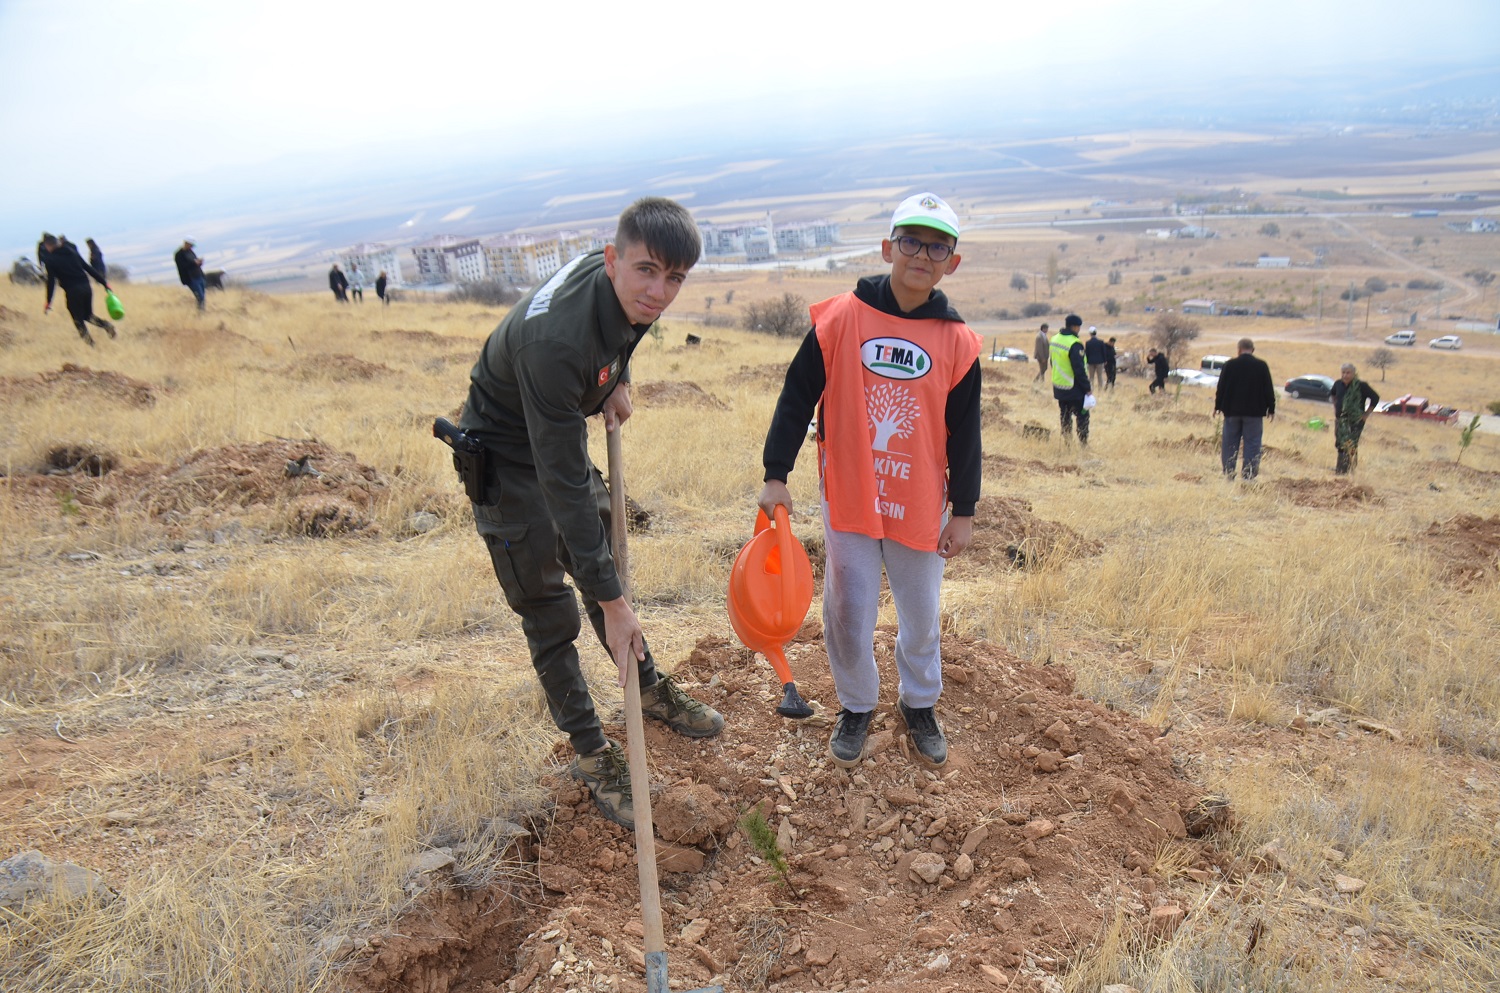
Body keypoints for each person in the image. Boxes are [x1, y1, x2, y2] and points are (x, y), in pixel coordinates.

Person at [457, 197, 722, 829]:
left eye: (675, 279)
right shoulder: (555, 345)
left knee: (601, 549)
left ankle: (648, 688)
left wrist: (615, 380)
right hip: (507, 458)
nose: (659, 293)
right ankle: (593, 752)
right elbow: (562, 483)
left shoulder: (629, 293)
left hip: (552, 440)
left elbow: (624, 331)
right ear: (612, 261)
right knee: (552, 609)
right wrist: (611, 601)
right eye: (647, 272)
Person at [759, 192, 982, 771]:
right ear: (888, 248)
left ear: (951, 262)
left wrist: (964, 509)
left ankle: (919, 704)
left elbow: (965, 432)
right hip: (852, 499)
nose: (921, 254)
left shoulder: (957, 343)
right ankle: (856, 705)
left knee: (920, 617)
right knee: (848, 613)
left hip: (919, 504)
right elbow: (796, 396)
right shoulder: (840, 319)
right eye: (910, 240)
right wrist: (775, 473)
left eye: (937, 246)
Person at [1213, 337, 1276, 480]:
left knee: (1229, 443)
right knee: (1253, 443)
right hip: (1254, 414)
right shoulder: (1261, 366)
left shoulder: (1229, 365)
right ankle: (1248, 476)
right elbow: (1268, 389)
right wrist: (1271, 408)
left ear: (1239, 350)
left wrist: (1217, 406)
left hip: (1231, 413)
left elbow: (1221, 387)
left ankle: (1229, 474)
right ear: (1252, 350)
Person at [41, 234, 115, 346]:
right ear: (58, 243)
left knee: (78, 320)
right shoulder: (72, 252)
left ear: (48, 246)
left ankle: (91, 345)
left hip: (73, 291)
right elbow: (87, 268)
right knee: (88, 315)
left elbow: (51, 282)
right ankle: (106, 325)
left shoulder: (50, 260)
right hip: (86, 287)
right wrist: (105, 283)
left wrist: (48, 301)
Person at [1050, 314, 1092, 445]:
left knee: (1065, 415)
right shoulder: (1074, 344)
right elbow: (1079, 369)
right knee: (1083, 416)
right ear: (1074, 327)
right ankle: (1083, 443)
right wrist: (1087, 389)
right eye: (1079, 327)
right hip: (1074, 388)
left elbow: (1052, 361)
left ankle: (1067, 442)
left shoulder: (1054, 339)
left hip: (1059, 386)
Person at [1330, 362, 1379, 475]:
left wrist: (1366, 414)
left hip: (1355, 421)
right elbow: (1332, 394)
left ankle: (1349, 469)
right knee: (1340, 444)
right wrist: (1336, 406)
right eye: (1343, 372)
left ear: (1353, 373)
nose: (1345, 375)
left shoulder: (1361, 386)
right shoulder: (1338, 384)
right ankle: (1340, 470)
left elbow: (1375, 398)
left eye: (1348, 373)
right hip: (1340, 420)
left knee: (1350, 445)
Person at [175, 239, 206, 311]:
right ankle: (200, 313)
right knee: (200, 297)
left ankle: (202, 312)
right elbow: (183, 267)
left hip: (199, 276)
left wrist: (199, 262)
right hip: (191, 279)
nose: (191, 247)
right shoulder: (179, 254)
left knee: (203, 297)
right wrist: (194, 263)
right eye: (191, 245)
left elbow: (195, 261)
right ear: (186, 243)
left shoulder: (190, 252)